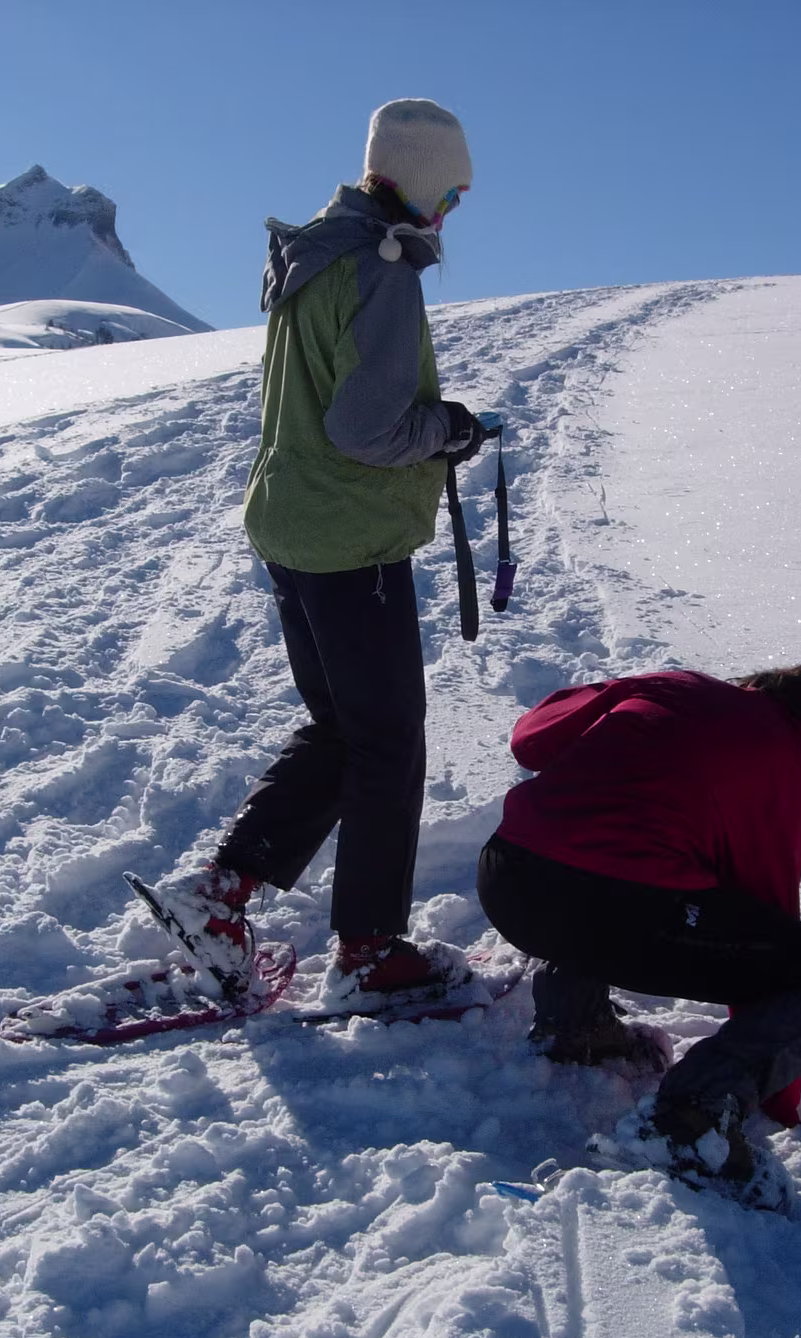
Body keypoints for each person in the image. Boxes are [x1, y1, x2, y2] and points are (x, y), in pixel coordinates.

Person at [147, 100, 487, 998]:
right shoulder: (380, 270)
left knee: (346, 726)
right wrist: (449, 429)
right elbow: (366, 428)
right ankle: (371, 952)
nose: (451, 211)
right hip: (350, 536)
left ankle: (220, 895)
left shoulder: (314, 254)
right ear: (419, 178)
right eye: (451, 192)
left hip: (292, 524)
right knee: (388, 741)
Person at [475, 664, 801, 1186]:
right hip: (610, 906)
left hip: (509, 879)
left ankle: (575, 1023)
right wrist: (777, 1098)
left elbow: (531, 740)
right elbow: (768, 914)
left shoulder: (676, 685)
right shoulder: (786, 757)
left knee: (622, 855)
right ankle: (691, 1116)